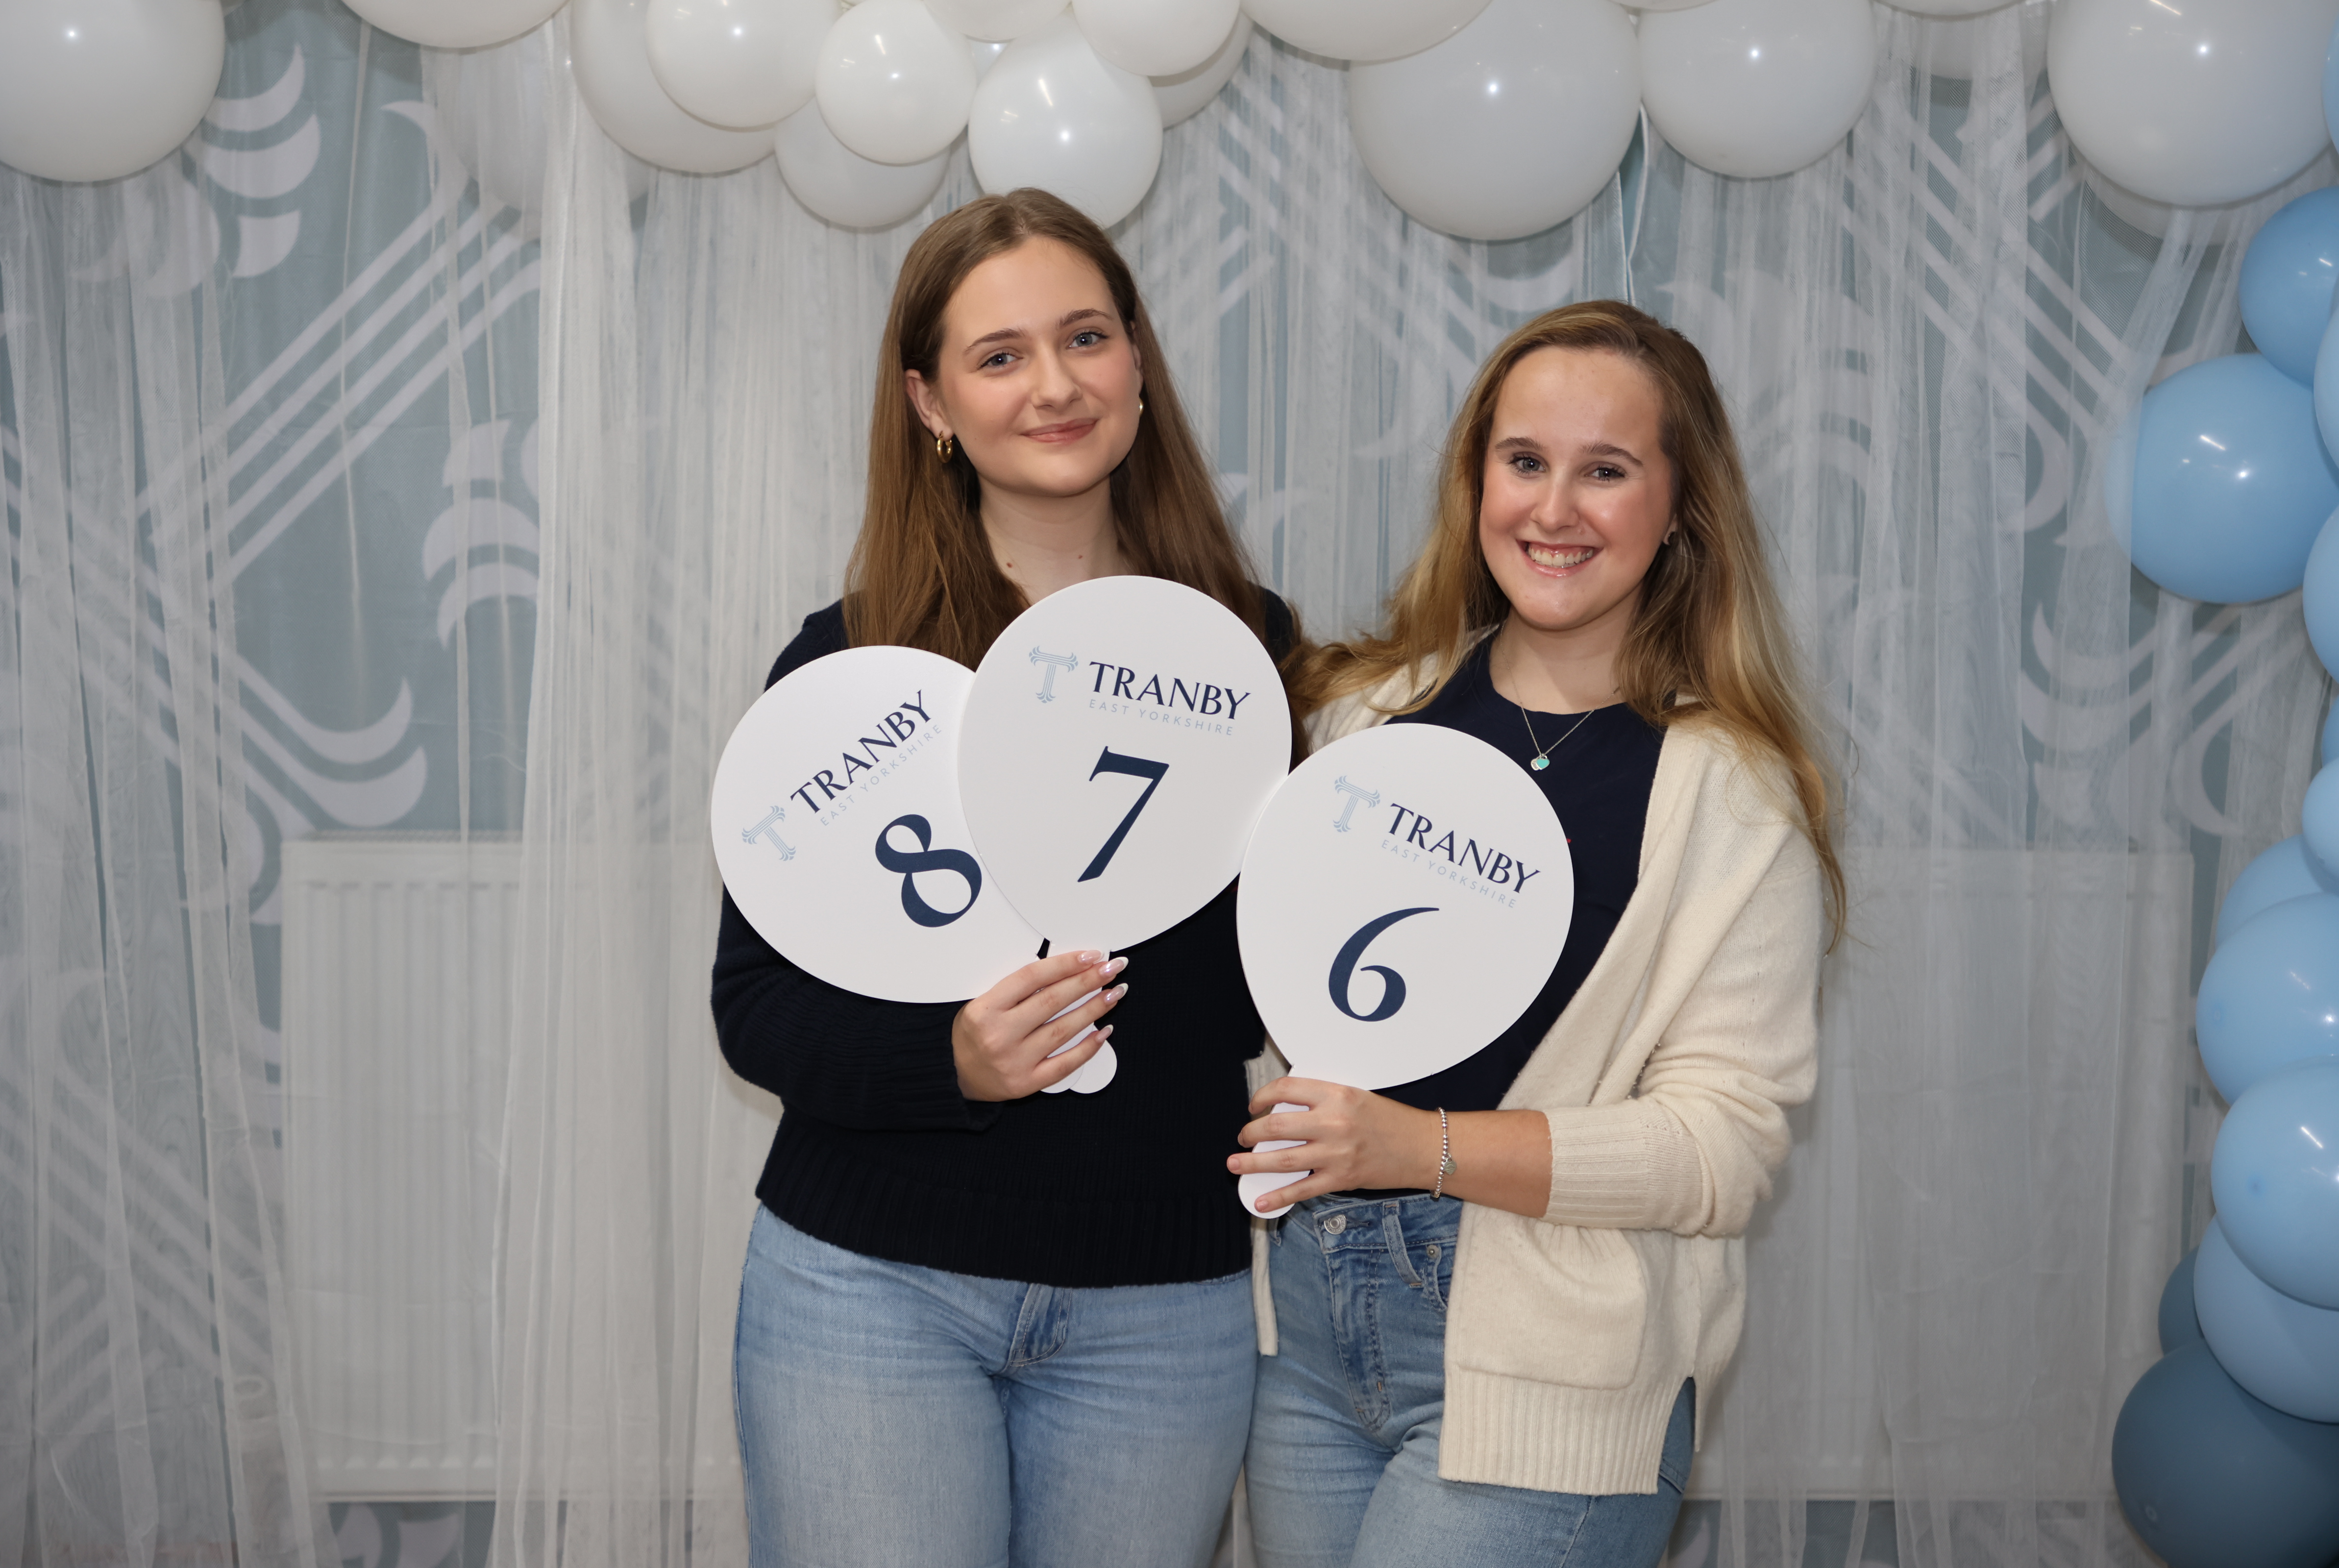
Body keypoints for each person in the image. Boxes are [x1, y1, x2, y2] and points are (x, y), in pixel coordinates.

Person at [712, 189, 1302, 1568]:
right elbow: (757, 1011)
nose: (1055, 385)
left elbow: (1258, 998)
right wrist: (952, 1062)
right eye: (999, 355)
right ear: (930, 402)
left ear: (1138, 362)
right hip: (871, 1295)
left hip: (1162, 1311)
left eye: (1086, 337)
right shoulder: (851, 668)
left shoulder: (1254, 652)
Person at [1232, 300, 1842, 1567]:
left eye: (1605, 471)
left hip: (1551, 1363)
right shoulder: (1357, 720)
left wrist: (1421, 1146)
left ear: (1680, 507)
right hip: (1302, 1336)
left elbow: (1725, 1149)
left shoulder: (1729, 800)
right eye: (1525, 461)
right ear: (1477, 481)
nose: (1554, 509)